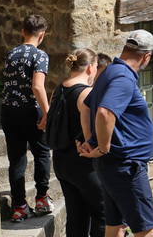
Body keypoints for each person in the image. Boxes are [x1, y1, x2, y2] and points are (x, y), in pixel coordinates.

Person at [80, 30, 153, 237]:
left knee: (116, 226)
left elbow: (86, 107)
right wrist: (103, 147)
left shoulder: (109, 71)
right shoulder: (124, 77)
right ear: (146, 56)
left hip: (113, 165)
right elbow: (104, 112)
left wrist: (91, 140)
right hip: (125, 165)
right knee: (147, 230)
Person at [0, 13, 52, 222]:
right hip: (30, 109)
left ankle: (19, 206)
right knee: (41, 153)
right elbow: (37, 86)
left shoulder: (10, 53)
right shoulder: (40, 55)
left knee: (16, 159)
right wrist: (47, 112)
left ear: (23, 32)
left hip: (8, 110)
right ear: (42, 35)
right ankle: (41, 198)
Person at [50, 48, 105, 237]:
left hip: (61, 161)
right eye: (96, 67)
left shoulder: (59, 88)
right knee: (103, 215)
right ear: (90, 68)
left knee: (76, 215)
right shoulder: (86, 93)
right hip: (83, 163)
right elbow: (90, 133)